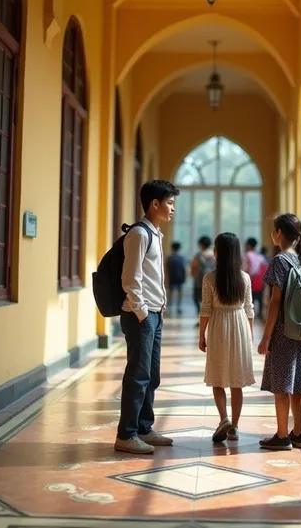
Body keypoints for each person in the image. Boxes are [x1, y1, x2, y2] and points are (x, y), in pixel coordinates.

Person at [115, 179, 179, 455]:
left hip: (154, 312)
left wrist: (159, 304)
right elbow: (130, 279)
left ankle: (143, 427)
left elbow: (151, 276)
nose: (173, 208)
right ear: (155, 204)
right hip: (141, 315)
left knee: (151, 375)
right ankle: (126, 434)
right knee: (138, 375)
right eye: (170, 203)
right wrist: (142, 312)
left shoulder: (155, 233)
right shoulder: (140, 234)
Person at [258, 213, 301, 451]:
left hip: (283, 331)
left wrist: (266, 336)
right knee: (297, 385)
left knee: (281, 386)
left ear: (279, 233)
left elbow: (275, 301)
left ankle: (282, 436)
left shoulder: (280, 260)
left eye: (274, 229)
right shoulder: (300, 259)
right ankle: (298, 434)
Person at [199, 232, 255, 442]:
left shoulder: (209, 278)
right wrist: (249, 335)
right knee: (236, 381)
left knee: (218, 376)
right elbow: (249, 310)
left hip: (219, 326)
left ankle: (224, 418)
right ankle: (235, 428)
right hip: (239, 324)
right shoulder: (245, 277)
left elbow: (205, 309)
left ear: (217, 252)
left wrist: (201, 335)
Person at [191, 236, 216, 321]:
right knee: (210, 301)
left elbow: (194, 267)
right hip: (212, 281)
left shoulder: (198, 255)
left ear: (201, 244)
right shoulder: (213, 255)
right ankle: (210, 319)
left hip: (199, 281)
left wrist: (193, 275)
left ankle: (201, 317)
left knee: (197, 299)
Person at [243, 238, 268, 320]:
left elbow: (246, 269)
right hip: (260, 280)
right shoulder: (260, 256)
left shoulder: (247, 255)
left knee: (250, 299)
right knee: (259, 298)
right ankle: (260, 315)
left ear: (248, 245)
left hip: (251, 279)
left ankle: (250, 316)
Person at [166, 241, 186, 315]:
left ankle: (169, 306)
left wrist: (166, 278)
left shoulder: (170, 257)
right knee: (180, 293)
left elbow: (167, 268)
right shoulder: (182, 257)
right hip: (180, 277)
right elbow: (184, 268)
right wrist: (184, 277)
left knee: (170, 293)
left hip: (172, 277)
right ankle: (178, 306)